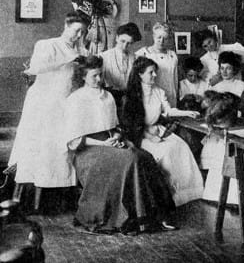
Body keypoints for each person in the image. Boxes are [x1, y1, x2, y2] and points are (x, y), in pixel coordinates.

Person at [65, 55, 176, 234]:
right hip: (88, 150)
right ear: (83, 76)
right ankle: (133, 217)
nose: (99, 79)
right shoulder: (75, 99)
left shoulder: (107, 96)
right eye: (94, 76)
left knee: (144, 156)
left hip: (113, 142)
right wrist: (104, 143)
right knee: (131, 159)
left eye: (101, 75)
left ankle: (157, 215)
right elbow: (74, 139)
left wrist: (116, 136)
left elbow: (116, 126)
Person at [8, 12, 89, 188]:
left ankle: (59, 189)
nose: (79, 36)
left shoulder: (81, 50)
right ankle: (36, 188)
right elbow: (36, 68)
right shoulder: (47, 45)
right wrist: (68, 59)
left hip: (66, 102)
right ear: (66, 26)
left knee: (61, 146)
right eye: (76, 31)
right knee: (42, 145)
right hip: (44, 101)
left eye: (83, 32)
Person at [122, 57, 204, 206]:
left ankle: (187, 193)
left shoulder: (159, 91)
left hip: (157, 129)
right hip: (139, 135)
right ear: (140, 74)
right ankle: (170, 197)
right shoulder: (131, 95)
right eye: (150, 72)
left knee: (181, 146)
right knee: (166, 152)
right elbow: (129, 124)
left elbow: (168, 111)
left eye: (155, 72)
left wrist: (186, 113)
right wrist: (148, 135)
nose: (154, 76)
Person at [135, 22, 178, 107]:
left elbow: (175, 79)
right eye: (159, 37)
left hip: (171, 96)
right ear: (154, 36)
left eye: (165, 38)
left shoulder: (172, 55)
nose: (161, 41)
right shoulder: (143, 53)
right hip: (152, 96)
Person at [100, 22, 141, 108]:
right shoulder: (104, 57)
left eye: (129, 43)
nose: (125, 46)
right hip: (110, 98)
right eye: (122, 41)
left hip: (129, 99)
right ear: (117, 38)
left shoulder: (136, 58)